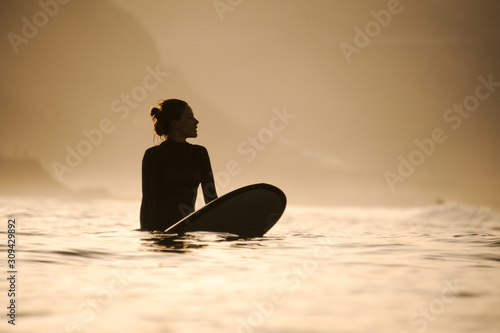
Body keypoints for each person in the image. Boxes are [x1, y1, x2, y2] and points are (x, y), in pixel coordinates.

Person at [140, 99, 218, 231]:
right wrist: (145, 234)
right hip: (159, 231)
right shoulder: (153, 155)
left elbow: (211, 198)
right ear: (175, 123)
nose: (196, 121)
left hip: (188, 228)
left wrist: (223, 226)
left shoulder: (200, 153)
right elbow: (148, 201)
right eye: (190, 117)